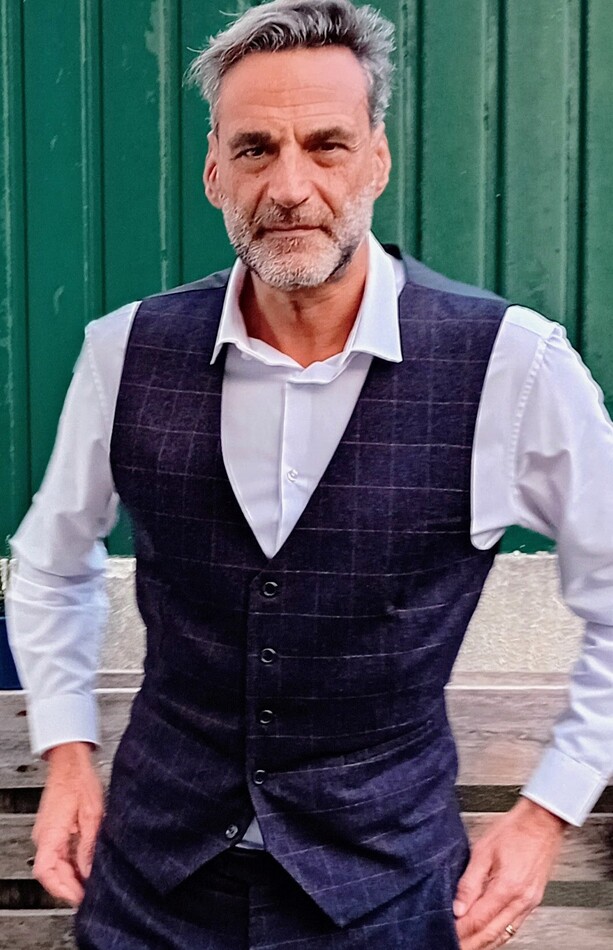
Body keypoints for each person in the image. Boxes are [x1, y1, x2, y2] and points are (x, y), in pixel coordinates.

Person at [7, 1, 613, 947]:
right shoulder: (124, 350)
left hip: (383, 898)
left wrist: (546, 813)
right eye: (255, 149)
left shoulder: (511, 364)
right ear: (213, 170)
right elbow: (50, 564)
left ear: (376, 159)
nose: (290, 187)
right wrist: (68, 754)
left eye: (326, 145)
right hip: (150, 888)